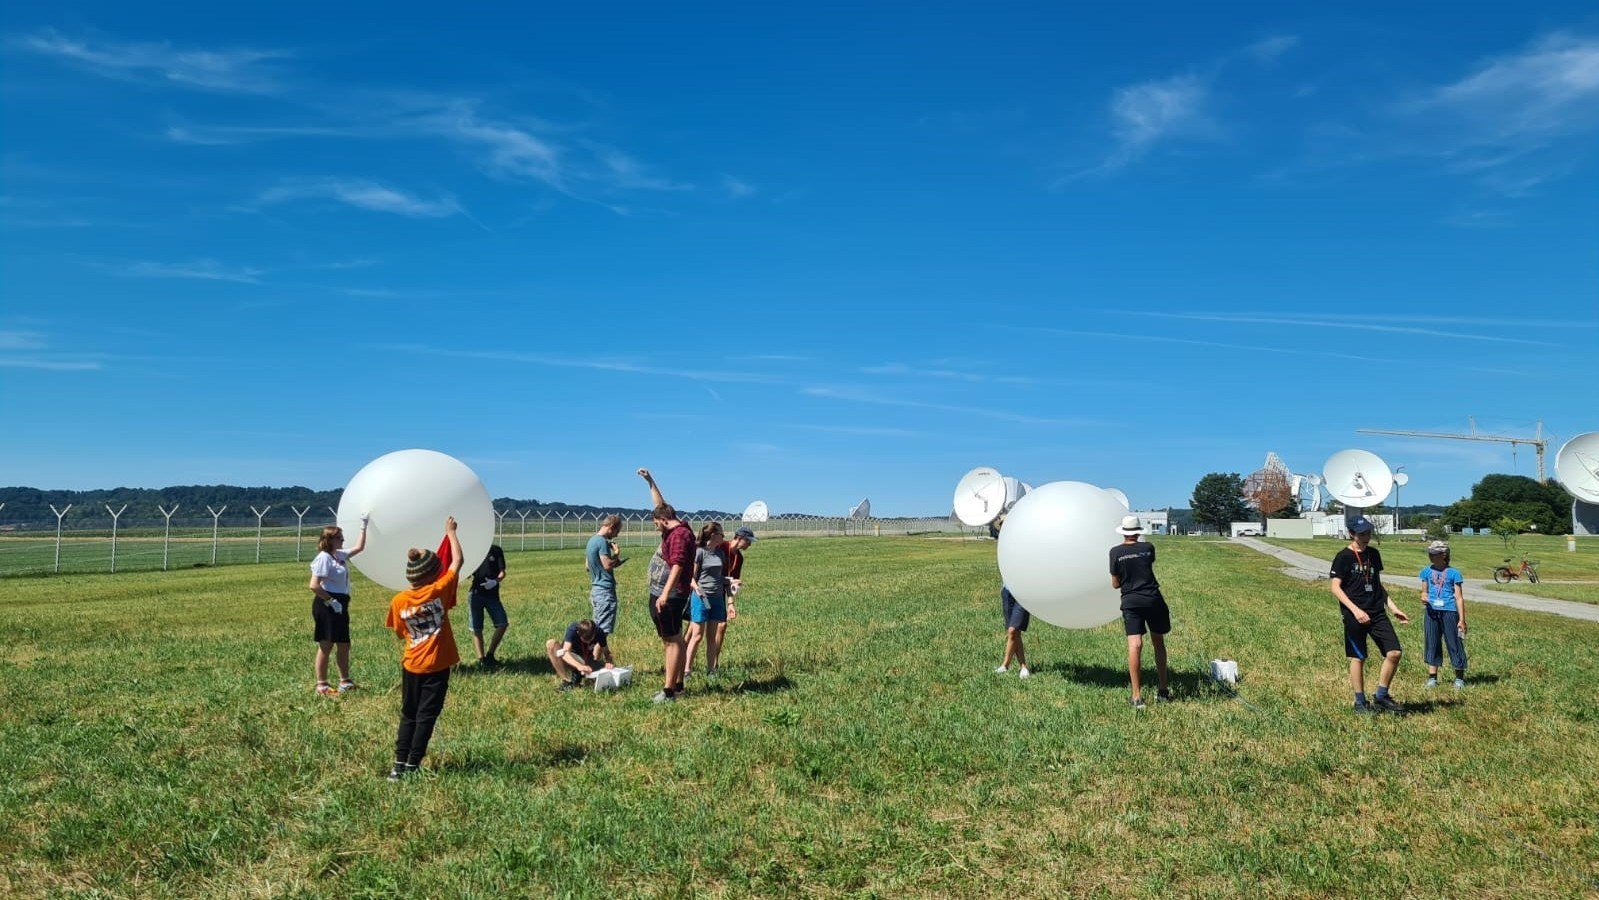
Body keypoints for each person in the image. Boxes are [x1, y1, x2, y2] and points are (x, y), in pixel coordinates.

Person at [383, 516, 463, 781]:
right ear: (432, 574)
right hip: (437, 666)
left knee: (408, 714)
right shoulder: (438, 590)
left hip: (411, 665)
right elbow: (457, 562)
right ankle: (413, 764)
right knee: (426, 716)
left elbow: (399, 632)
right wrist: (450, 533)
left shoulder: (398, 600)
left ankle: (398, 765)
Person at [1330, 516, 1410, 714]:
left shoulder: (1374, 554)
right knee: (1358, 657)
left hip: (1377, 612)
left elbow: (1376, 584)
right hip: (1354, 615)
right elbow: (1335, 588)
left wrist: (1393, 607)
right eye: (1361, 534)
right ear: (1351, 534)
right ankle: (1360, 702)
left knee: (1394, 652)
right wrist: (1356, 610)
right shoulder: (1343, 557)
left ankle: (1381, 696)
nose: (1366, 537)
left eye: (1368, 533)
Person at [638, 467, 695, 703]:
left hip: (670, 595)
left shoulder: (679, 535)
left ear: (664, 520)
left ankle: (669, 690)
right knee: (676, 639)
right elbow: (660, 505)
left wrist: (663, 594)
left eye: (656, 524)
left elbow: (678, 565)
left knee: (671, 641)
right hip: (667, 593)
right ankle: (678, 686)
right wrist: (650, 482)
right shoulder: (671, 525)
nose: (656, 527)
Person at [1109, 515, 1170, 708]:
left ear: (1123, 532)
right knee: (1158, 644)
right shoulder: (1148, 548)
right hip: (1153, 599)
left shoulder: (1115, 552)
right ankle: (1163, 691)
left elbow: (1115, 583)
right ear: (1138, 531)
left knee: (1135, 645)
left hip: (1131, 601)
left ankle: (1136, 697)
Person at [308, 516, 368, 695]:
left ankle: (345, 681)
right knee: (326, 644)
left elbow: (359, 548)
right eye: (339, 538)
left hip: (340, 602)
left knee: (344, 643)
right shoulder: (324, 558)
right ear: (329, 540)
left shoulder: (339, 555)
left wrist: (363, 526)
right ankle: (322, 685)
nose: (343, 540)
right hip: (326, 604)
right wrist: (331, 601)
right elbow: (314, 585)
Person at [1417, 540, 1468, 690]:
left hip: (1450, 611)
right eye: (1430, 554)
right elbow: (1424, 591)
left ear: (1443, 555)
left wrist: (1462, 619)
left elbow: (1459, 597)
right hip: (1432, 612)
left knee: (1454, 643)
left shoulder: (1454, 573)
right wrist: (1423, 597)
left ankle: (1459, 677)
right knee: (1432, 642)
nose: (1431, 557)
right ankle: (1432, 677)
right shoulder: (1426, 572)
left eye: (1434, 554)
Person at [684, 522, 730, 677]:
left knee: (712, 637)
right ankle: (686, 670)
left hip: (717, 598)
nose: (723, 537)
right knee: (697, 635)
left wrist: (730, 581)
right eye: (721, 534)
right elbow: (691, 576)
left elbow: (719, 577)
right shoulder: (699, 553)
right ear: (713, 535)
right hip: (702, 597)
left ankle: (711, 670)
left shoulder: (720, 554)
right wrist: (696, 588)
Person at [991, 516, 1031, 679]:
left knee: (1013, 630)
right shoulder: (1003, 545)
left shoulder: (1026, 544)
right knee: (1014, 633)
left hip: (1023, 592)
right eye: (1002, 525)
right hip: (1007, 591)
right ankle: (1023, 666)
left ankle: (1005, 665)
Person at [545, 619, 617, 691]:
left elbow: (607, 653)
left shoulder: (599, 632)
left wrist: (609, 662)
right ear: (578, 632)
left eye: (591, 639)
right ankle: (566, 681)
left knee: (608, 678)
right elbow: (565, 653)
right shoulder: (572, 629)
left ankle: (580, 675)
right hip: (570, 657)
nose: (588, 641)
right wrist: (579, 666)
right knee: (551, 643)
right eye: (585, 640)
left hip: (586, 659)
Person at [468, 543, 508, 666]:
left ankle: (490, 654)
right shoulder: (474, 550)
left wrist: (495, 581)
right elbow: (468, 571)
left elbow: (502, 572)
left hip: (492, 595)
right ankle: (481, 660)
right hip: (476, 594)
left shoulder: (496, 550)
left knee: (502, 623)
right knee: (476, 627)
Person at [585, 515, 625, 636]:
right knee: (602, 632)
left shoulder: (591, 541)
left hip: (596, 590)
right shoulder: (602, 542)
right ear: (611, 527)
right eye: (617, 531)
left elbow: (587, 566)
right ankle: (595, 656)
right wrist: (617, 554)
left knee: (596, 628)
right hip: (605, 592)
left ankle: (596, 654)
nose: (616, 535)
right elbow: (607, 565)